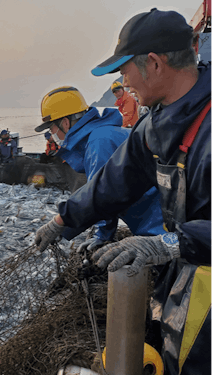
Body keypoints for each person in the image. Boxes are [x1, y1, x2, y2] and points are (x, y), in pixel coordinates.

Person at [34, 9, 211, 375]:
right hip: (183, 270)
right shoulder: (155, 123)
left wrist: (169, 244)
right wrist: (64, 219)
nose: (122, 82)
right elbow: (114, 181)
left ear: (154, 63)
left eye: (124, 69)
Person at [35, 86, 165, 251]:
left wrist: (102, 236)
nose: (52, 133)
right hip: (156, 219)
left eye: (51, 128)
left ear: (65, 123)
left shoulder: (99, 142)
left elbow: (103, 196)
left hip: (161, 224)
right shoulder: (102, 135)